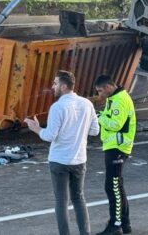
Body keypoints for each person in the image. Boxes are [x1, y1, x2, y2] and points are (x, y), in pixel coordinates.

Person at [24, 70, 99, 235]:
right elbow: (95, 130)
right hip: (79, 159)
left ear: (64, 86)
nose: (52, 87)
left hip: (59, 161)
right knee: (79, 198)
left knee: (61, 202)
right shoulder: (87, 104)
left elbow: (50, 136)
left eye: (55, 83)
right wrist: (78, 130)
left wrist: (37, 129)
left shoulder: (58, 107)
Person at [93, 75, 136, 235]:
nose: (99, 95)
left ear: (108, 87)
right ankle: (125, 224)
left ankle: (115, 225)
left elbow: (115, 124)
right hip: (115, 146)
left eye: (100, 91)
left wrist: (99, 117)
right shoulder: (116, 98)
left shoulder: (119, 100)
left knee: (113, 187)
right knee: (117, 185)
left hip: (117, 147)